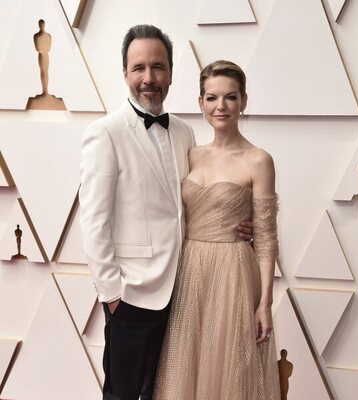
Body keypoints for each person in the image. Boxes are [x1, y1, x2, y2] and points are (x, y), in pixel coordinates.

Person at [79, 26, 251, 400]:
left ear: (171, 73)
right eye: (138, 67)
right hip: (131, 295)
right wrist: (113, 296)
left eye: (157, 67)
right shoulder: (105, 133)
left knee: (167, 392)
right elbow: (93, 222)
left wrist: (236, 222)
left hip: (183, 289)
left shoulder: (186, 133)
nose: (148, 78)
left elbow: (192, 202)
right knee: (122, 394)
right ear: (125, 73)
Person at [153, 60, 281, 400]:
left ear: (244, 101)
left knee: (229, 371)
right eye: (211, 98)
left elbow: (267, 237)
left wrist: (265, 303)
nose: (220, 106)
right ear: (200, 103)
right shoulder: (190, 154)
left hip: (233, 274)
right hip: (190, 271)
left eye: (230, 97)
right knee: (186, 368)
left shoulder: (258, 160)